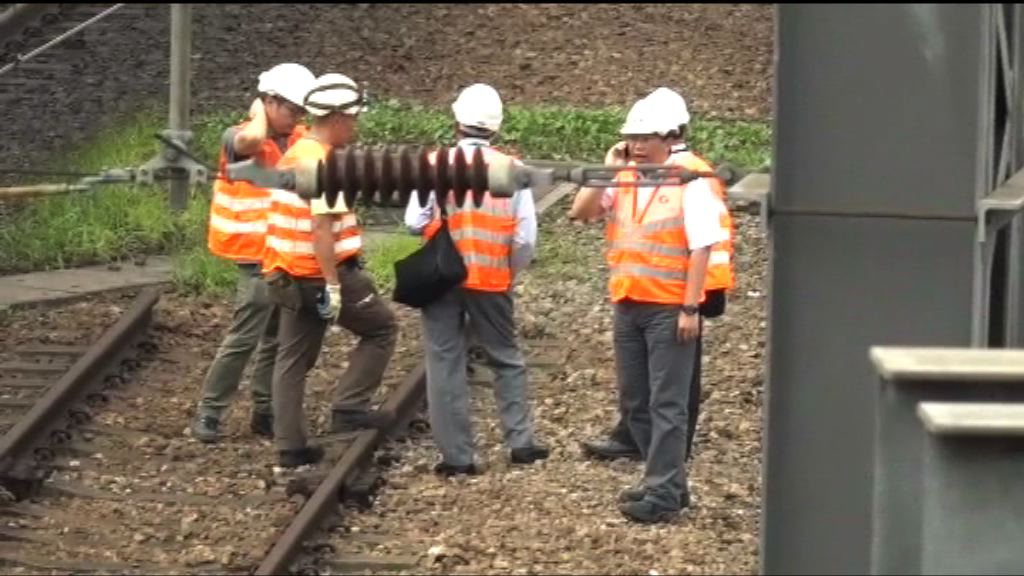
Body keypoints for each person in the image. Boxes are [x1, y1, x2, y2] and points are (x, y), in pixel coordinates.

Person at [568, 92, 729, 523]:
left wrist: (690, 308)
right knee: (636, 401)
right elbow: (579, 213)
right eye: (631, 138)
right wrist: (607, 169)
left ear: (671, 136)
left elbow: (701, 246)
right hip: (629, 301)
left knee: (667, 404)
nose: (637, 146)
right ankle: (669, 484)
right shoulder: (625, 174)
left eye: (645, 137)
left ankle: (662, 493)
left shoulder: (691, 176)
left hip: (668, 307)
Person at [404, 83, 549, 476]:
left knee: (444, 361)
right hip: (491, 280)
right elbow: (525, 239)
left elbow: (414, 222)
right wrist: (508, 272)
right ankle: (520, 443)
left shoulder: (433, 165)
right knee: (506, 357)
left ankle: (458, 458)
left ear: (456, 122)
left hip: (442, 280)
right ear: (496, 129)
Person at [262, 73, 398, 468]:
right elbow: (322, 230)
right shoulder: (323, 166)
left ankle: (290, 445)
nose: (355, 126)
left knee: (292, 357)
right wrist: (334, 287)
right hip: (319, 274)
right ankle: (350, 408)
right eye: (353, 118)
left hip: (287, 274)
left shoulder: (296, 152)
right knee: (381, 329)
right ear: (336, 118)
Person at [191, 63, 315, 444]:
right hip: (255, 256)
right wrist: (259, 110)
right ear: (270, 102)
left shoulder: (297, 137)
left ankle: (265, 410)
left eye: (300, 111)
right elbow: (250, 138)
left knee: (276, 337)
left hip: (284, 254)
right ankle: (210, 412)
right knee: (244, 336)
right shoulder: (241, 136)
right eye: (291, 108)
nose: (296, 117)